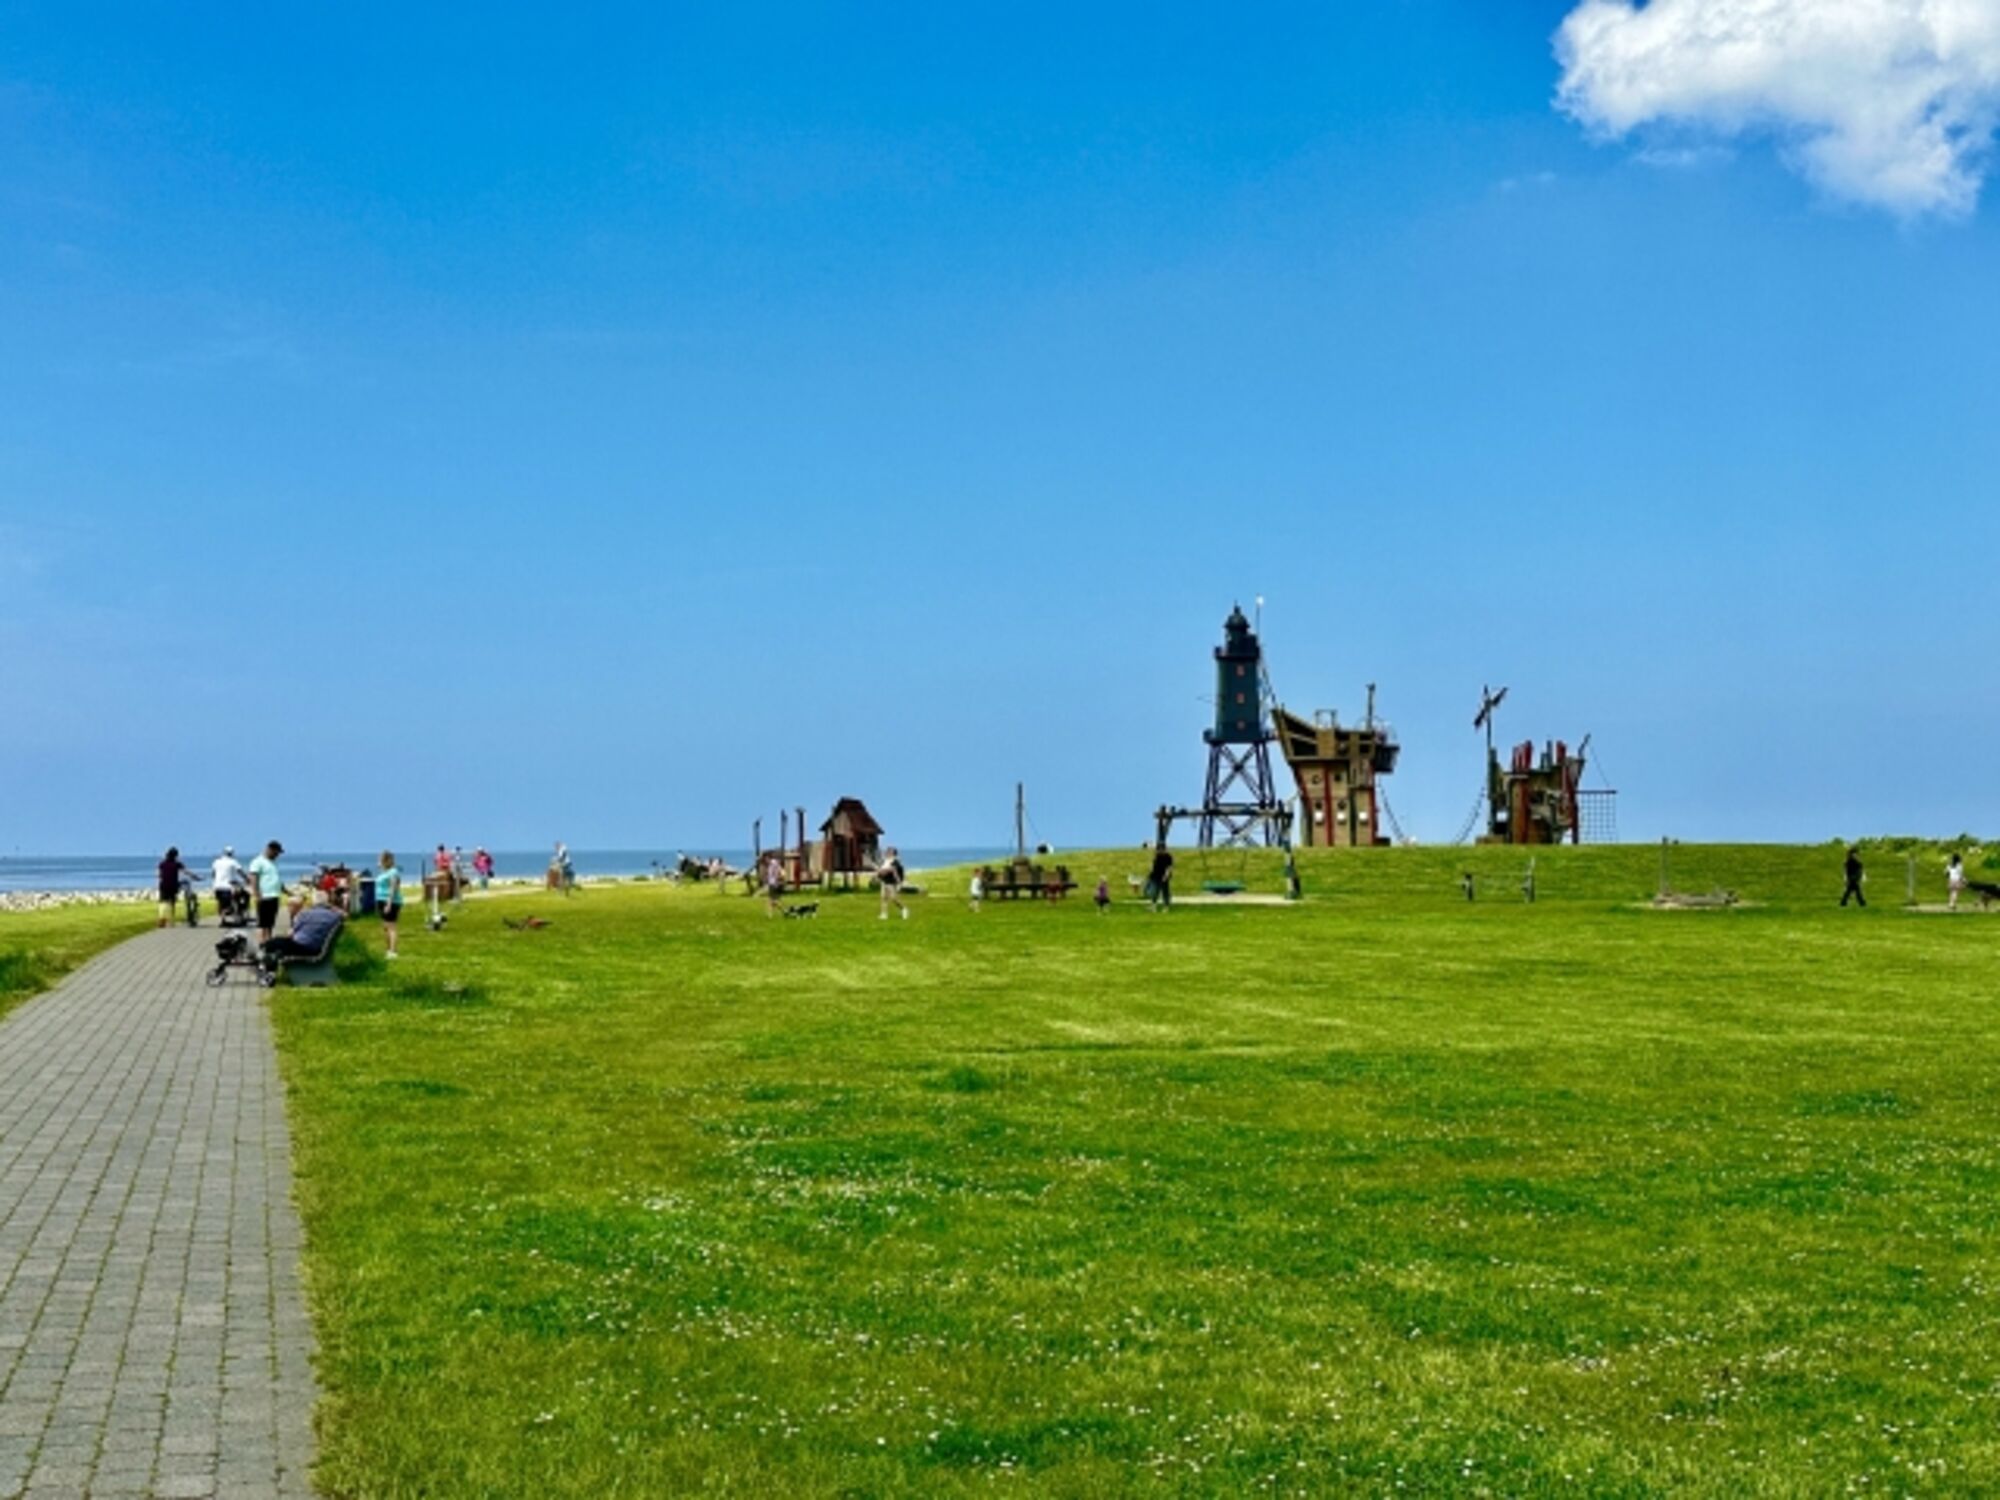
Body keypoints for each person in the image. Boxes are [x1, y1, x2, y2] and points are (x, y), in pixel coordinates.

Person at [262, 899, 343, 965]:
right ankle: (274, 956)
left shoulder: (307, 913)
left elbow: (290, 934)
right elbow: (344, 914)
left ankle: (269, 970)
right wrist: (334, 908)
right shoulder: (335, 917)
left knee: (274, 942)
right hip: (316, 949)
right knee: (280, 945)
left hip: (301, 947)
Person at [247, 841, 285, 943]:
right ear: (270, 850)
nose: (277, 855)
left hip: (274, 895)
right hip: (264, 896)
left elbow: (275, 879)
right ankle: (262, 942)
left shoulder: (272, 863)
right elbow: (253, 878)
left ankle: (268, 941)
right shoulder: (258, 861)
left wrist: (285, 890)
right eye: (276, 853)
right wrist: (257, 893)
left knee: (270, 922)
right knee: (263, 923)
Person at [375, 851, 404, 958]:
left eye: (381, 860)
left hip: (390, 901)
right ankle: (388, 950)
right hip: (381, 900)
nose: (379, 862)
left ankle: (393, 951)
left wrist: (389, 903)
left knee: (391, 926)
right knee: (385, 927)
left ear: (386, 860)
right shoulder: (384, 872)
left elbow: (393, 888)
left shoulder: (393, 872)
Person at [156, 847, 193, 928]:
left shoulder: (162, 864)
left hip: (163, 885)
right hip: (173, 885)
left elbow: (158, 875)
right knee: (172, 902)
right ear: (175, 856)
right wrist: (195, 876)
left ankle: (162, 920)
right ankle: (171, 920)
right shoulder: (177, 864)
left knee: (163, 902)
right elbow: (186, 872)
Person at [877, 847, 908, 920]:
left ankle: (903, 909)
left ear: (893, 853)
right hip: (884, 881)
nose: (887, 852)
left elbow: (893, 871)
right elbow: (882, 870)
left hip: (891, 882)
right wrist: (879, 874)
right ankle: (884, 914)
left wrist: (899, 883)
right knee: (883, 898)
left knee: (893, 898)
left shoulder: (895, 861)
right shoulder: (885, 861)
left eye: (889, 851)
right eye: (887, 851)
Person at [1147, 845, 1174, 912]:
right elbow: (1153, 866)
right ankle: (1153, 906)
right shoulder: (1156, 856)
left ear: (1163, 850)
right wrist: (1150, 874)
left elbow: (1169, 868)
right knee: (1154, 892)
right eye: (1157, 850)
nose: (1157, 851)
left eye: (1159, 850)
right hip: (1155, 876)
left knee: (1165, 892)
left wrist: (1166, 876)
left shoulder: (1168, 857)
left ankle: (1166, 907)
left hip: (1163, 877)